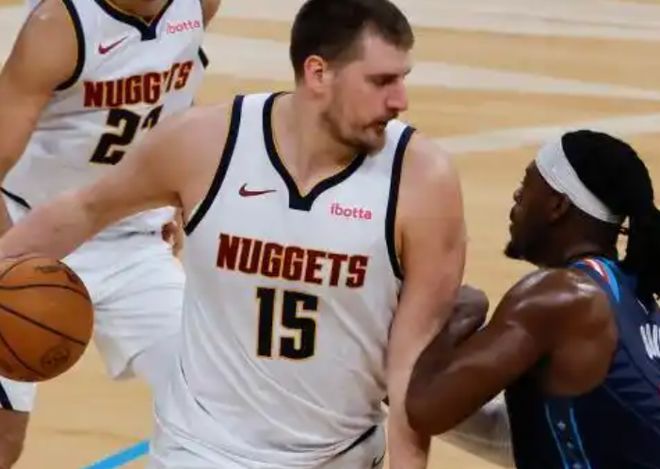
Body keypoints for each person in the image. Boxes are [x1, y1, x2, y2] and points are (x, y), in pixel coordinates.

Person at [0, 0, 469, 467]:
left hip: (340, 455)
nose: (401, 101)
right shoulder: (207, 141)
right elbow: (83, 209)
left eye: (402, 78)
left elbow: (410, 368)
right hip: (199, 453)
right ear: (318, 73)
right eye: (381, 81)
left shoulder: (423, 179)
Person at [0, 0, 220, 465]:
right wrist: (8, 259)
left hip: (133, 241)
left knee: (216, 403)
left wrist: (179, 188)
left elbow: (177, 92)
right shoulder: (59, 25)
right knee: (4, 436)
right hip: (30, 234)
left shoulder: (198, 4)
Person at [406, 130, 660, 468]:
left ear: (558, 205)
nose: (517, 195)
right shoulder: (634, 295)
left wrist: (458, 320)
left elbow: (425, 407)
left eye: (526, 184)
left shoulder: (560, 296)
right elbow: (534, 438)